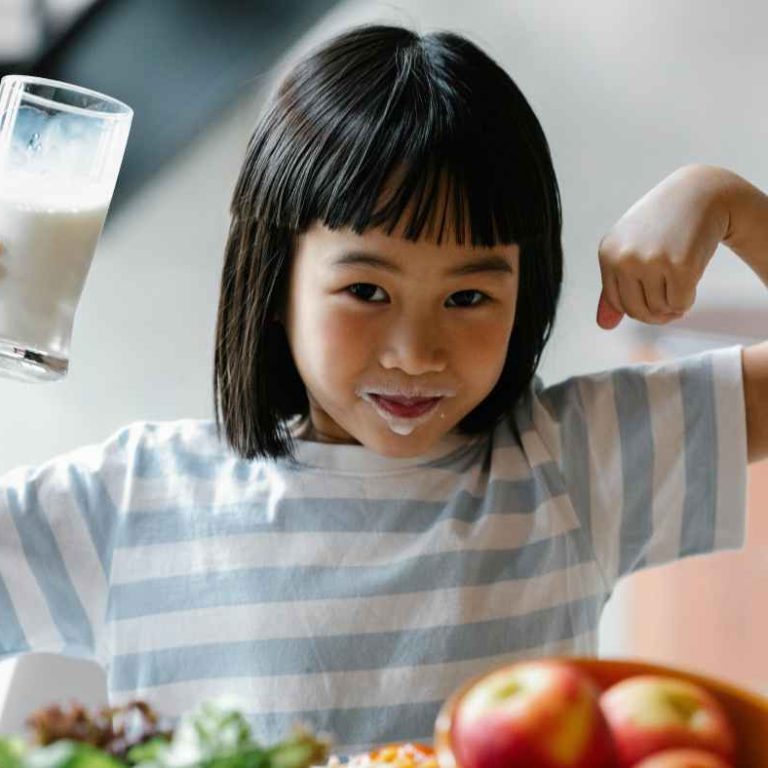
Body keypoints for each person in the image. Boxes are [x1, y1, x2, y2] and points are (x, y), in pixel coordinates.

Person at [0, 23, 766, 755]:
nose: (415, 354)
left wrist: (728, 202)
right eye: (367, 290)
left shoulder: (573, 461)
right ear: (275, 283)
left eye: (468, 298)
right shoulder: (135, 499)